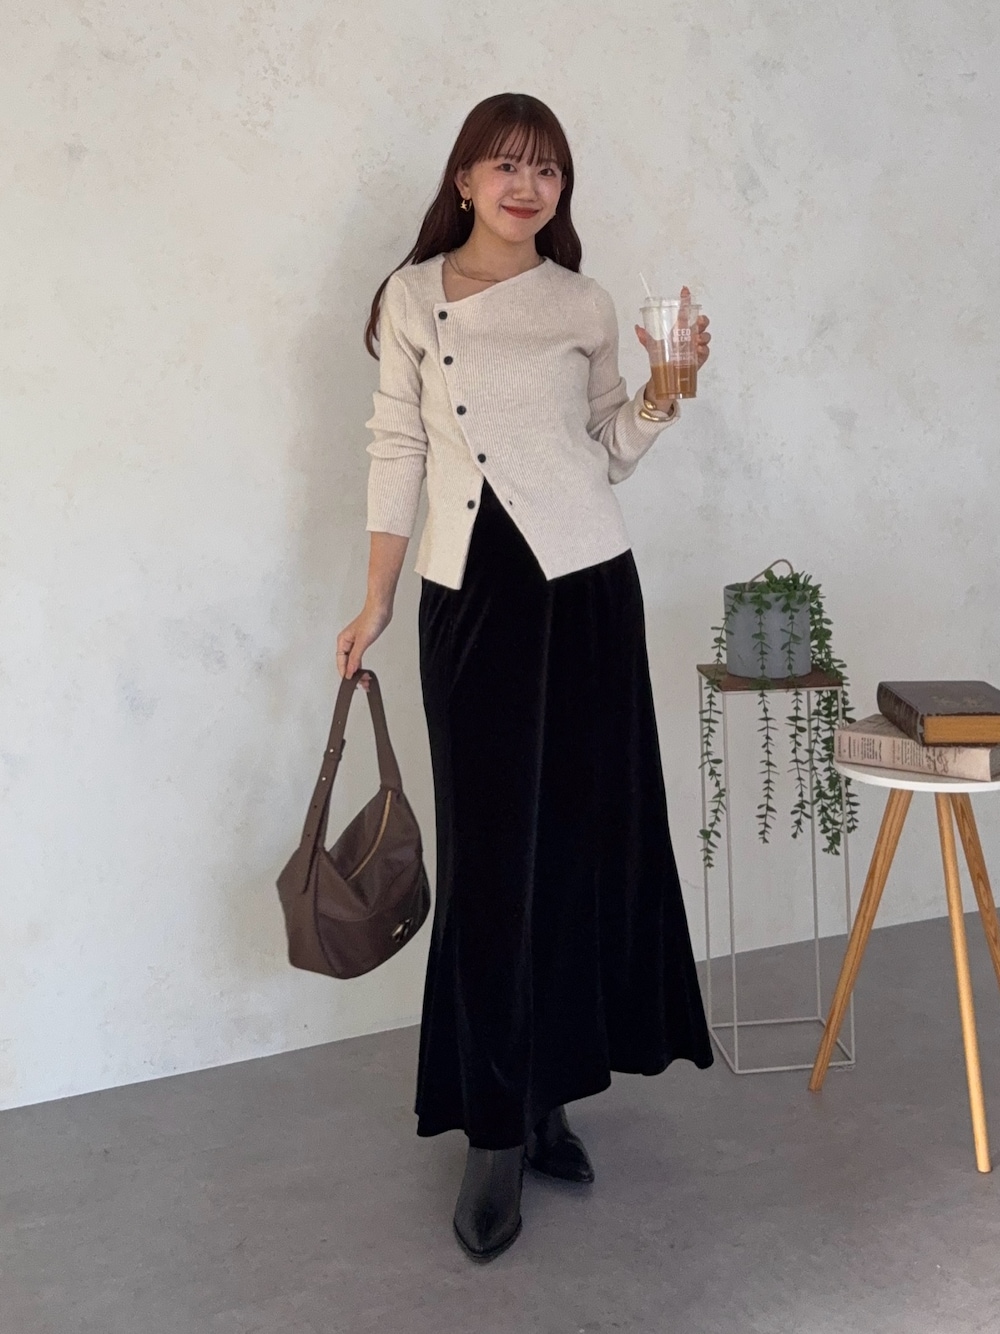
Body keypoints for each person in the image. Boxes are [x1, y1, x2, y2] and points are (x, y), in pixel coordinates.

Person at [337, 92, 713, 1263]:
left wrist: (665, 388)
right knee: (493, 861)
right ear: (462, 179)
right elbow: (397, 444)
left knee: (582, 847)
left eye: (546, 168)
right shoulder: (413, 297)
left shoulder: (583, 302)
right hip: (469, 595)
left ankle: (550, 1097)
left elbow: (607, 449)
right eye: (504, 164)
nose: (525, 185)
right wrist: (375, 596)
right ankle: (493, 1130)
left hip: (586, 587)